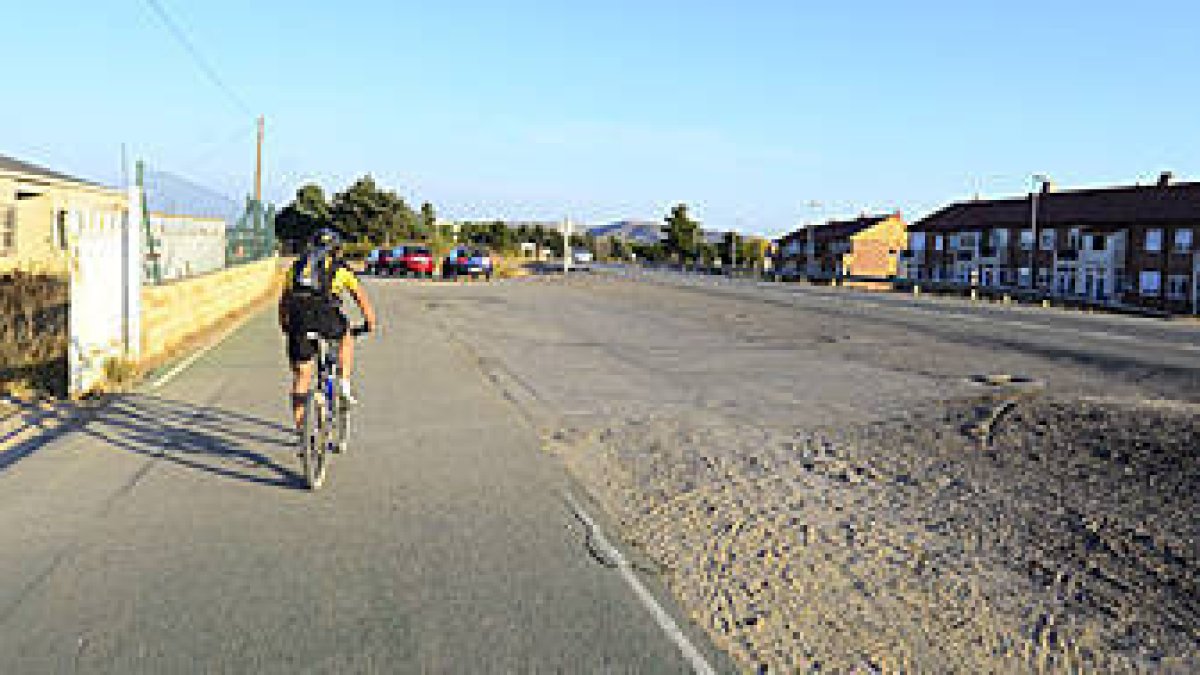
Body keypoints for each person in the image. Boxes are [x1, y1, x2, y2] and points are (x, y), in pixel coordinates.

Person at [279, 228, 376, 434]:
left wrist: (286, 325)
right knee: (346, 334)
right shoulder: (340, 268)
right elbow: (360, 297)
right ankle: (344, 382)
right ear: (337, 249)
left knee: (302, 376)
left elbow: (285, 299)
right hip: (326, 317)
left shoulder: (295, 267)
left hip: (299, 321)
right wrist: (369, 322)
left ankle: (301, 432)